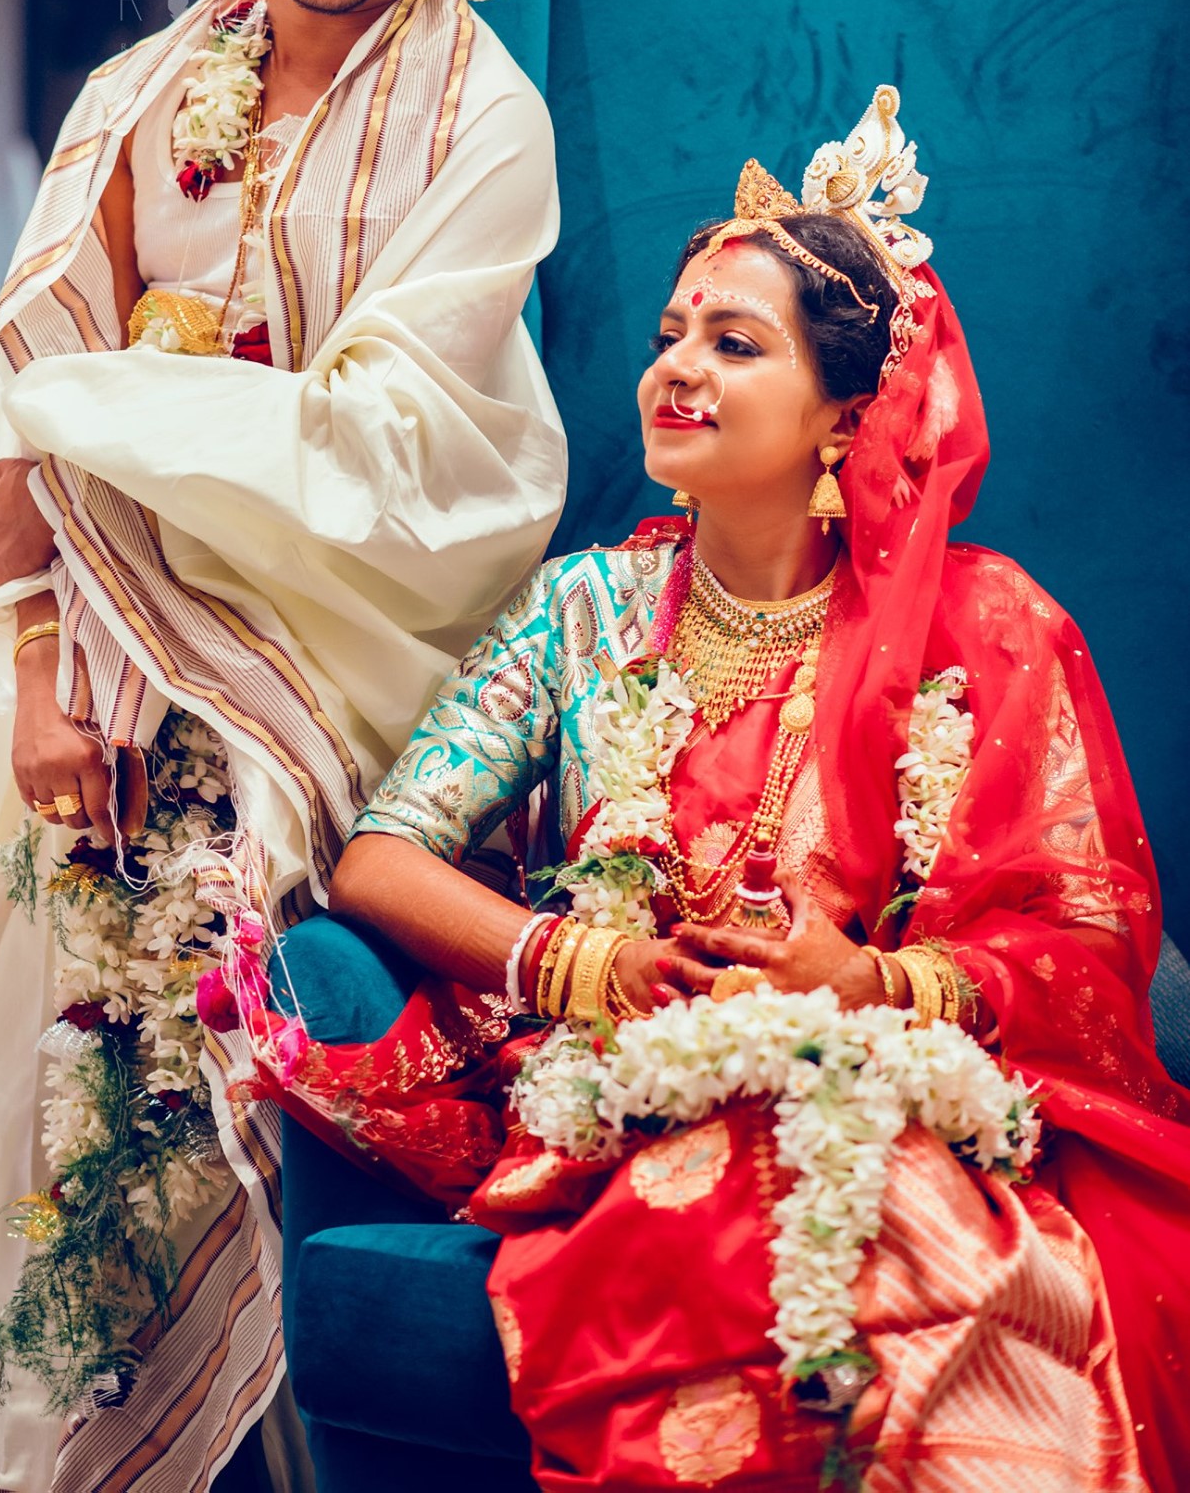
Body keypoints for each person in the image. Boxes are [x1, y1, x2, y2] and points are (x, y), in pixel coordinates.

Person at [0, 0, 566, 1490]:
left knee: (191, 967)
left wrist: (97, 424)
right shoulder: (137, 96)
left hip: (341, 662)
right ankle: (65, 1438)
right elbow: (8, 409)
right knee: (11, 900)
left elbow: (388, 455)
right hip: (95, 655)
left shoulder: (485, 125)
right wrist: (37, 667)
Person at [284, 85, 1190, 1492]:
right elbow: (379, 860)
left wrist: (863, 986)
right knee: (743, 1210)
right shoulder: (585, 607)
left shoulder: (992, 627)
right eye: (667, 338)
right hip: (632, 1096)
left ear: (848, 408)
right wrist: (590, 964)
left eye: (731, 341)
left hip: (885, 1104)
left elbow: (1083, 942)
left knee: (902, 1235)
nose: (673, 369)